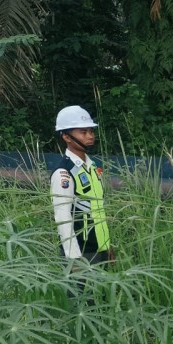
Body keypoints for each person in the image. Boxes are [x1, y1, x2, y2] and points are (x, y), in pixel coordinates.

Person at [50, 105, 114, 267]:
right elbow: (62, 217)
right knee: (82, 293)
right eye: (83, 132)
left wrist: (107, 245)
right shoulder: (64, 172)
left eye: (91, 131)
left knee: (102, 292)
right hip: (81, 251)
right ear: (66, 137)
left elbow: (97, 210)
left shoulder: (91, 167)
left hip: (99, 247)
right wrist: (74, 259)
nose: (90, 136)